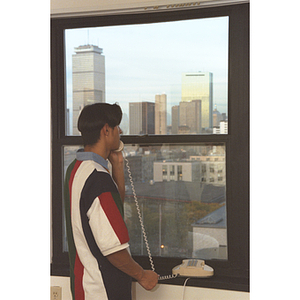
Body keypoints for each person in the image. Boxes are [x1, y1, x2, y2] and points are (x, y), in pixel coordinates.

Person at [64, 103, 158, 300]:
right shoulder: (98, 179)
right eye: (117, 127)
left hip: (83, 286)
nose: (120, 131)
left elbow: (112, 214)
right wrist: (142, 275)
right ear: (106, 130)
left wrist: (117, 166)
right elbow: (113, 250)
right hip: (102, 290)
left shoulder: (76, 169)